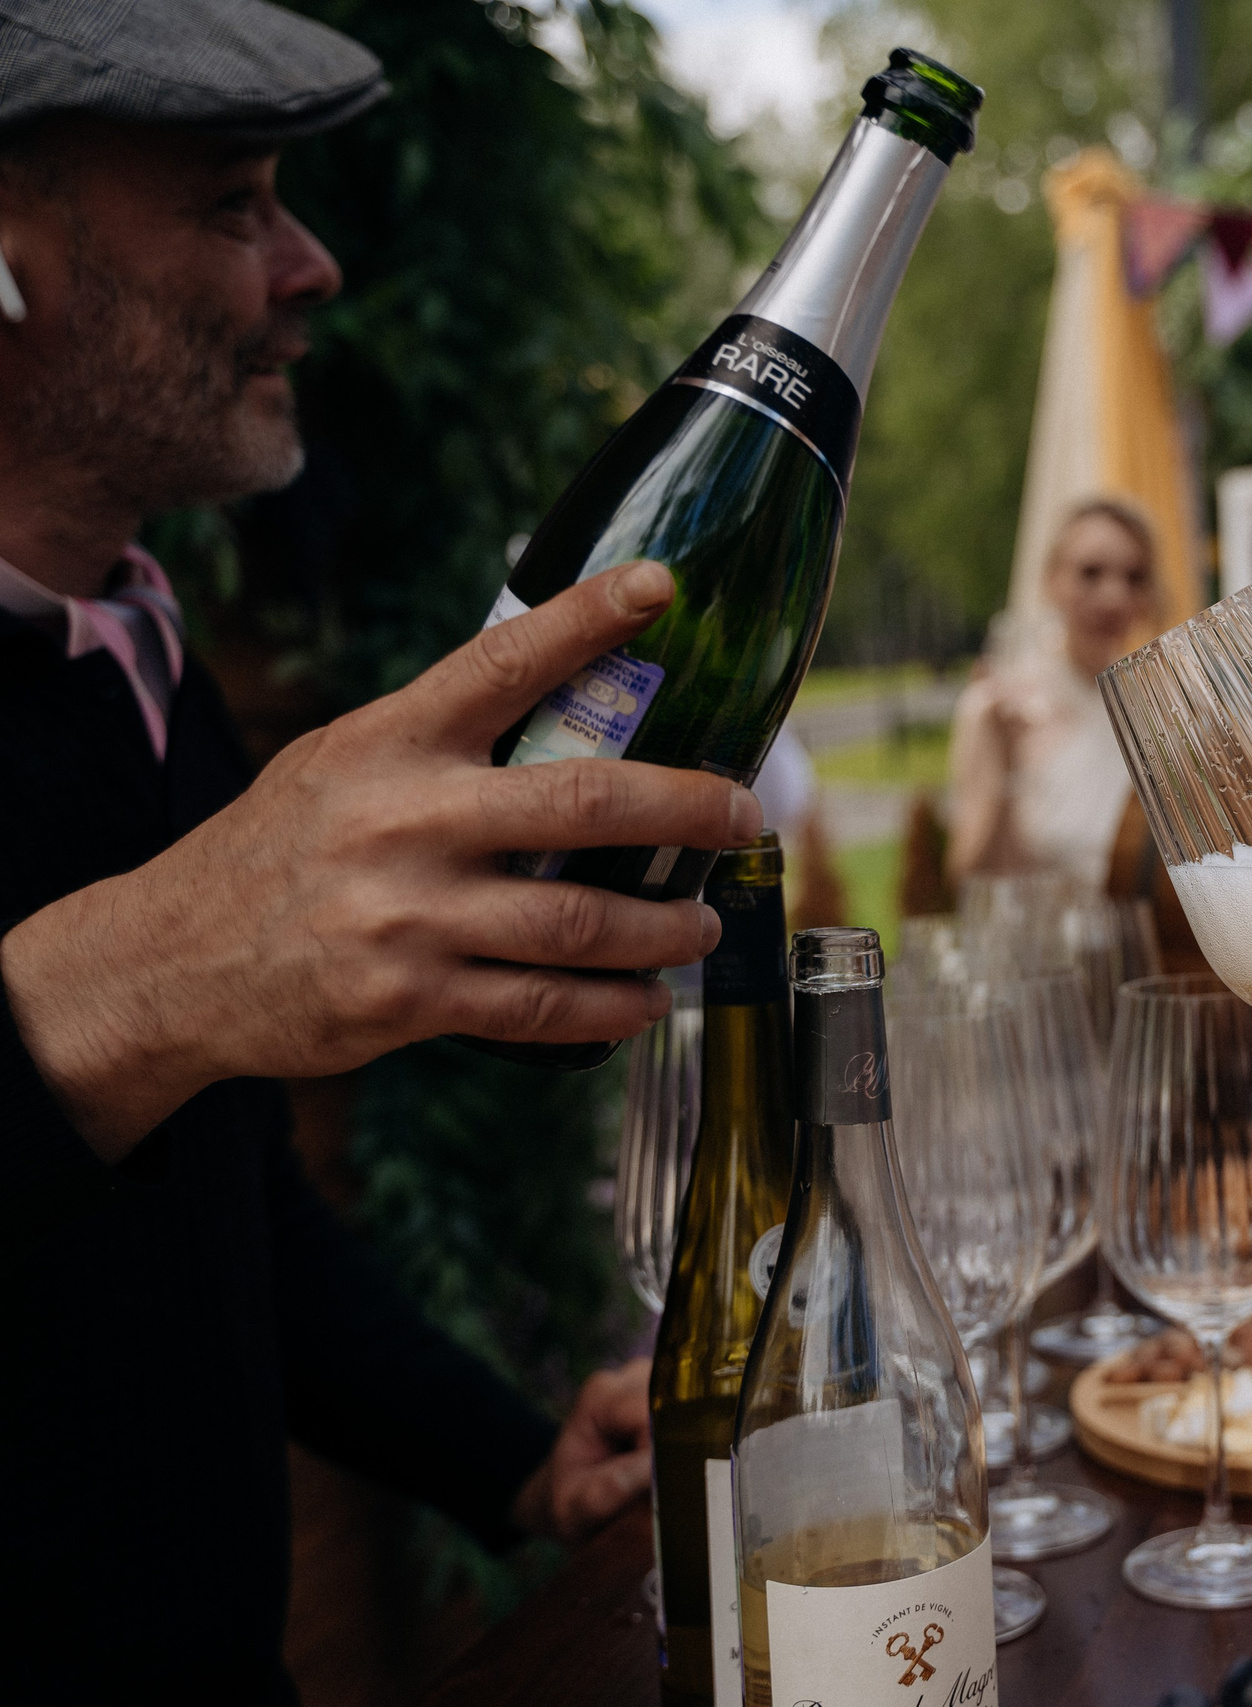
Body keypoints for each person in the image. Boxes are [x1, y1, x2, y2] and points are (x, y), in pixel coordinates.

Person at [0, 6, 759, 1697]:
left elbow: (224, 1193)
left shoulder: (129, 649)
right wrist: (133, 975)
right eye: (228, 201)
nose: (315, 262)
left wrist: (511, 1461)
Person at [946, 495, 1160, 893]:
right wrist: (1005, 769)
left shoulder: (1157, 707)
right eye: (1090, 573)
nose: (1114, 596)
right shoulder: (1001, 706)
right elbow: (971, 874)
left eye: (1134, 577)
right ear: (1051, 581)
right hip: (1046, 945)